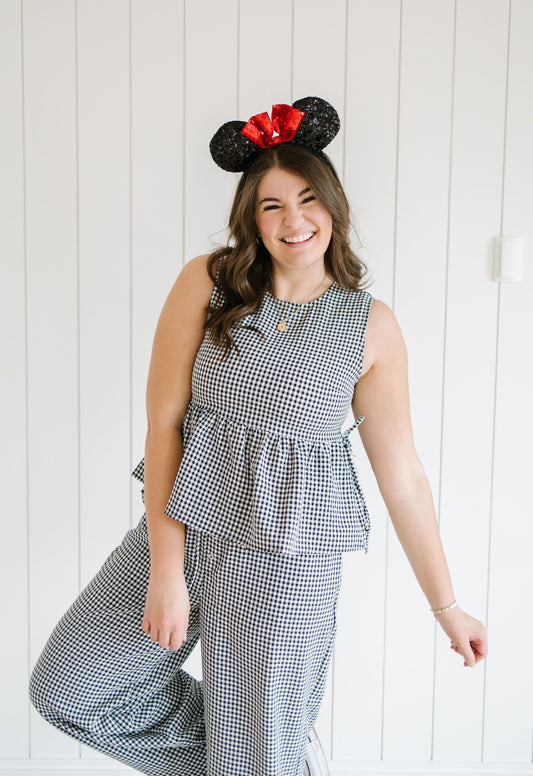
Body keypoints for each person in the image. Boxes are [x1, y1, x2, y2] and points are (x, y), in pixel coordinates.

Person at [29, 97, 487, 776]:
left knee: (258, 752)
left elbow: (404, 475)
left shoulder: (368, 326)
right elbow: (163, 424)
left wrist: (445, 605)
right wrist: (165, 569)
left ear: (334, 206)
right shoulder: (210, 282)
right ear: (251, 218)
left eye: (307, 199)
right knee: (72, 688)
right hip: (183, 531)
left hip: (288, 564)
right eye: (271, 206)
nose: (293, 221)